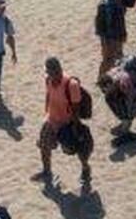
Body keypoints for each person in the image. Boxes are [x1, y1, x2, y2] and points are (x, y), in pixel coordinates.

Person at [36, 58, 93, 190]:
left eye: (53, 72)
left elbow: (76, 109)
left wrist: (75, 127)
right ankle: (47, 171)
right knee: (44, 146)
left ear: (59, 70)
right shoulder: (48, 80)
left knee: (78, 150)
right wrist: (47, 110)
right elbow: (49, 94)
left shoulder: (71, 85)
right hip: (52, 119)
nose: (51, 75)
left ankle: (85, 168)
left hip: (68, 123)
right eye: (48, 72)